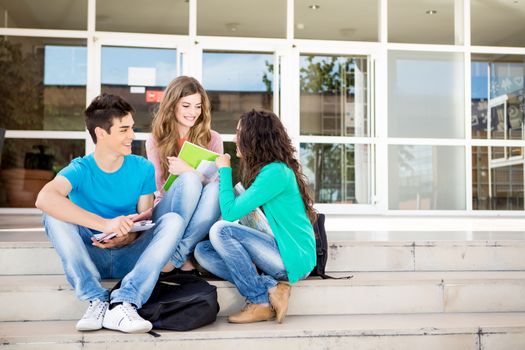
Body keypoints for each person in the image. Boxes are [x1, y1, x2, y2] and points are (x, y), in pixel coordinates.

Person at [36, 94, 186, 333]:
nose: (132, 136)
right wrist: (106, 224)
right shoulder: (80, 168)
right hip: (91, 253)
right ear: (101, 133)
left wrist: (130, 236)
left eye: (132, 128)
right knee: (52, 214)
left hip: (131, 256)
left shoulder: (143, 168)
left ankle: (125, 301)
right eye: (124, 129)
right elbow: (44, 197)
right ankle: (96, 299)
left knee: (173, 220)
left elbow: (145, 218)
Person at [194, 109, 317, 324]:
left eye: (239, 132)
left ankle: (258, 301)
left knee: (220, 230)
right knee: (202, 251)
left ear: (254, 138)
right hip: (275, 250)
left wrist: (224, 170)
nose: (235, 138)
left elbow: (230, 213)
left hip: (292, 257)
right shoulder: (265, 172)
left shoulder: (276, 172)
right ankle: (271, 287)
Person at [146, 76, 223, 275]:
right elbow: (160, 189)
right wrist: (188, 177)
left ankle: (178, 254)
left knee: (215, 188)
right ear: (172, 106)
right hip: (167, 209)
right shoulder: (156, 139)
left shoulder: (213, 138)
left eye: (198, 107)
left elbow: (217, 188)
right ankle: (179, 253)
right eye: (186, 105)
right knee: (188, 181)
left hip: (202, 213)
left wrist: (190, 171)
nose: (193, 113)